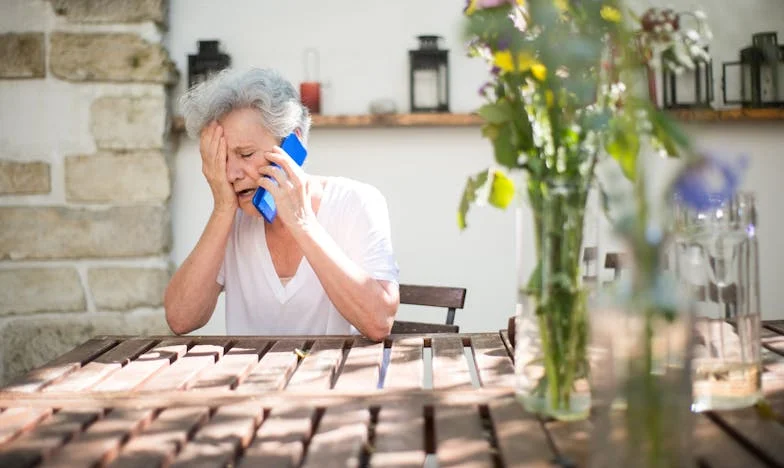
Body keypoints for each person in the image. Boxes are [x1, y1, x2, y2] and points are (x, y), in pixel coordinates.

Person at [164, 67, 400, 341]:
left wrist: (302, 223)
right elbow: (180, 319)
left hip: (333, 380)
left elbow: (379, 322)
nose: (232, 174)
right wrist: (221, 211)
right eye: (224, 160)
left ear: (293, 145)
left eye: (246, 154)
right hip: (248, 381)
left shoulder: (356, 202)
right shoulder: (232, 218)